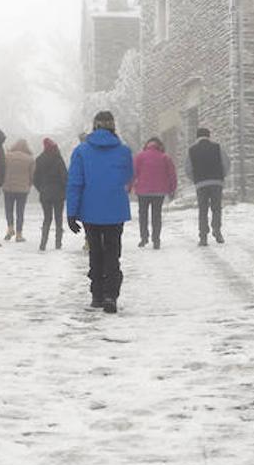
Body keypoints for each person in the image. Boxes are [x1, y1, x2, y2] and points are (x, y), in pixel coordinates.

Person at [66, 110, 133, 314]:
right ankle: (110, 295)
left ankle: (96, 294)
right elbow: (128, 176)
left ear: (94, 126)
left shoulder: (81, 151)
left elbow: (75, 183)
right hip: (115, 208)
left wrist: (72, 212)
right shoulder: (123, 151)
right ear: (113, 127)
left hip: (90, 209)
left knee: (95, 251)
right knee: (113, 251)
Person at [131, 137, 177, 249]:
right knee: (156, 215)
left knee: (143, 215)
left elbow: (133, 173)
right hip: (159, 192)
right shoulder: (165, 157)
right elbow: (172, 174)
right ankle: (156, 239)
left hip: (143, 191)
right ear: (160, 146)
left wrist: (129, 187)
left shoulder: (140, 157)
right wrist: (172, 189)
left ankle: (144, 238)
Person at [187, 127, 229, 246]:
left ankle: (203, 236)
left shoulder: (192, 150)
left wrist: (195, 179)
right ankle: (217, 230)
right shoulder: (217, 147)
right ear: (209, 136)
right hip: (216, 182)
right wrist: (221, 175)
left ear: (197, 137)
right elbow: (226, 162)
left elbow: (188, 168)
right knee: (216, 208)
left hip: (201, 183)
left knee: (203, 210)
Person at [33, 137, 68, 251]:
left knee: (47, 218)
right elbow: (65, 177)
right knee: (58, 219)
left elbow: (35, 179)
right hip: (58, 194)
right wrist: (64, 189)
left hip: (45, 193)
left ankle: (43, 243)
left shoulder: (39, 159)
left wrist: (41, 189)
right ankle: (58, 243)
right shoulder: (58, 159)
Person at [3, 138, 35, 242]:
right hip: (22, 189)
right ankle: (19, 234)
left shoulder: (7, 156)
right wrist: (29, 185)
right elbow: (32, 175)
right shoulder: (30, 159)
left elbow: (3, 169)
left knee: (9, 209)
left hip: (8, 187)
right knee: (20, 211)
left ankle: (10, 228)